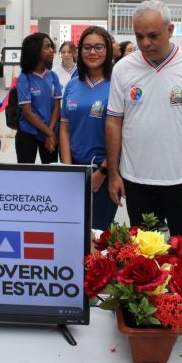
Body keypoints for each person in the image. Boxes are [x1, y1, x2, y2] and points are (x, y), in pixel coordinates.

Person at [105, 0, 182, 240]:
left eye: (153, 35)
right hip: (136, 179)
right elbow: (113, 122)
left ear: (170, 30)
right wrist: (114, 174)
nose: (145, 43)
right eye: (139, 36)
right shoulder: (123, 69)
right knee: (143, 261)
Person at [59, 26, 117, 231]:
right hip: (74, 170)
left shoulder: (117, 84)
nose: (93, 52)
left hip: (104, 171)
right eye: (87, 47)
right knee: (73, 231)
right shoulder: (73, 85)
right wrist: (68, 169)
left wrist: (102, 171)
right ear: (80, 51)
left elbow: (123, 135)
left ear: (108, 49)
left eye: (99, 47)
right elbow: (65, 129)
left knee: (98, 234)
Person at [15, 32, 61, 164]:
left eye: (51, 46)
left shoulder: (53, 76)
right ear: (35, 51)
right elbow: (27, 113)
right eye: (47, 47)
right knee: (26, 174)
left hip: (50, 130)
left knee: (50, 173)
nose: (52, 50)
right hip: (28, 133)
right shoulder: (24, 78)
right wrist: (49, 133)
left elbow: (57, 107)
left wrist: (50, 132)